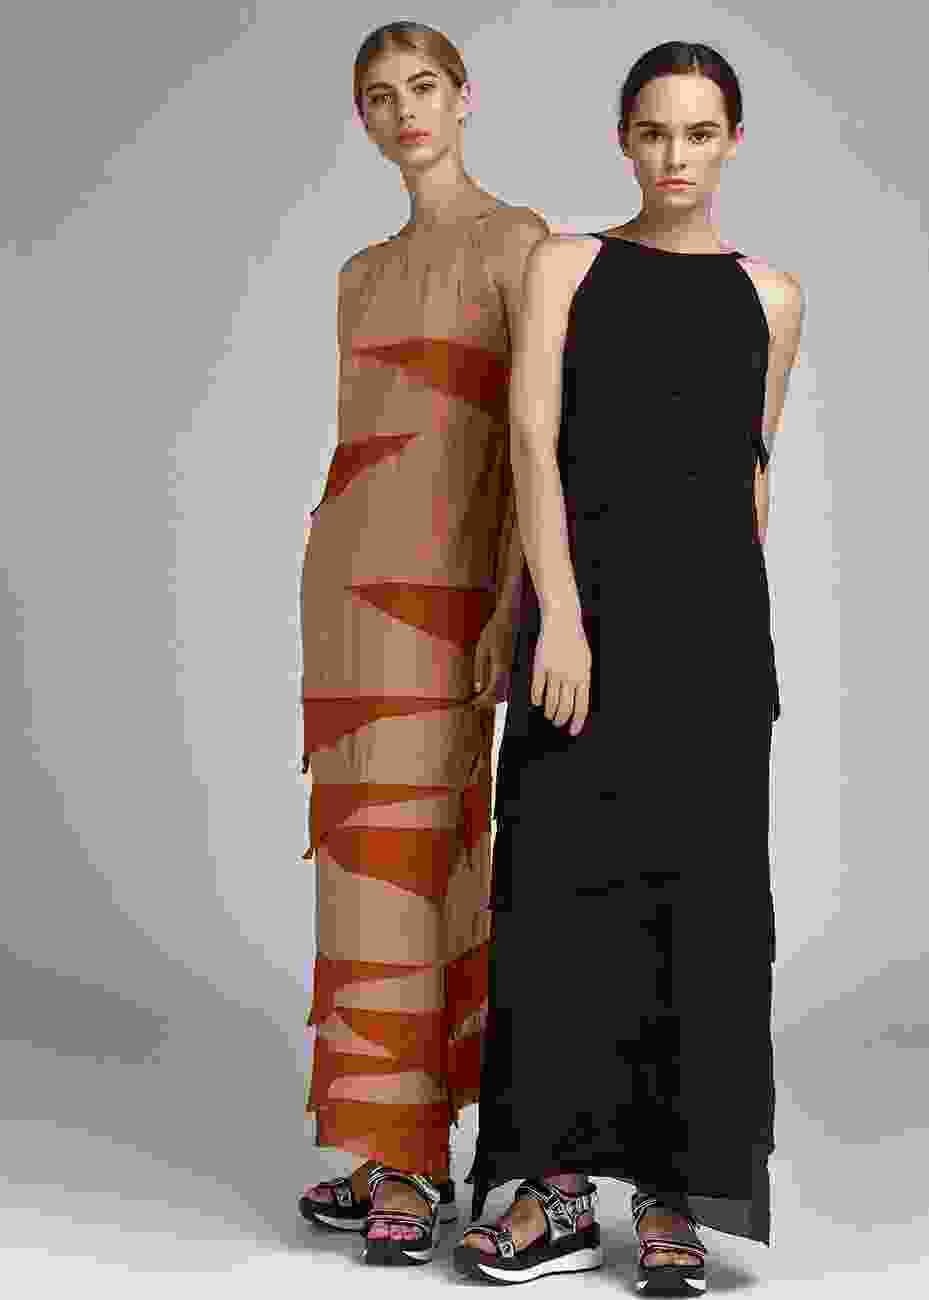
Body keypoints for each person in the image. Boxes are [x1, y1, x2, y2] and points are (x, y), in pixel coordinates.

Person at [454, 40, 804, 1293]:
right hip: (583, 624)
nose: (674, 156)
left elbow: (750, 476)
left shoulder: (771, 296)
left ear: (732, 142)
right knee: (559, 895)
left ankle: (670, 1195)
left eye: (699, 133)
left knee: (698, 915)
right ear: (622, 137)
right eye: (653, 131)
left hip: (714, 645)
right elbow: (531, 445)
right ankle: (552, 1191)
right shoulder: (565, 266)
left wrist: (733, 651)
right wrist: (558, 616)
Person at [296, 21, 547, 1266]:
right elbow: (360, 441)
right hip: (345, 593)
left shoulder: (520, 244)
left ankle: (421, 1154)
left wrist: (510, 601)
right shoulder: (356, 274)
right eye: (380, 97)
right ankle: (384, 1145)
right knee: (358, 870)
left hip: (449, 595)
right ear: (364, 119)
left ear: (463, 97)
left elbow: (534, 446)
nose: (404, 112)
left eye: (424, 87)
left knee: (431, 859)